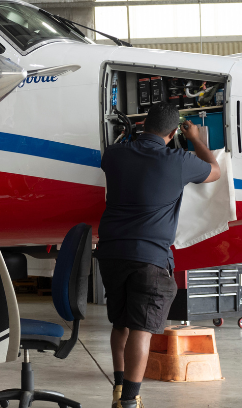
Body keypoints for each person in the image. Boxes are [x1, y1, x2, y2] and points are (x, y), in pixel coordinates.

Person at [97, 104, 220, 408]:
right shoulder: (179, 161)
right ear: (174, 131)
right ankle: (129, 400)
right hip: (150, 257)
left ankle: (118, 388)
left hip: (112, 253)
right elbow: (215, 171)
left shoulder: (113, 155)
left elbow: (118, 153)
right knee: (141, 330)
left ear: (143, 125)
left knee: (121, 324)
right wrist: (195, 139)